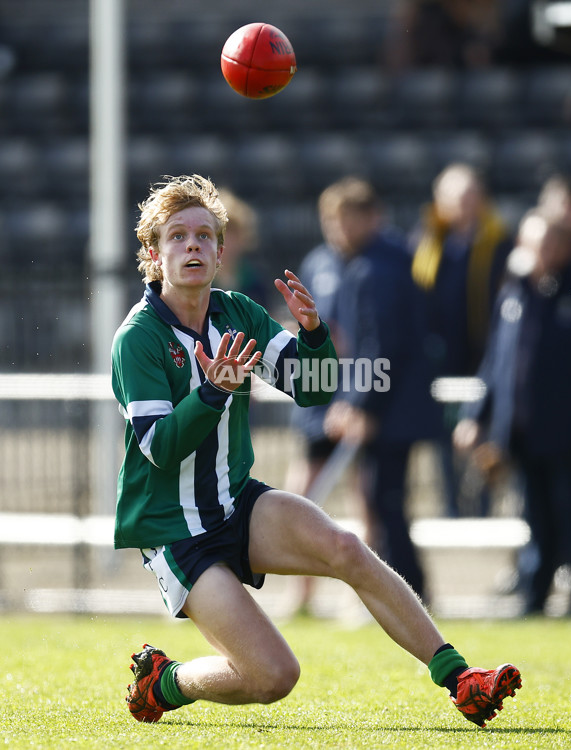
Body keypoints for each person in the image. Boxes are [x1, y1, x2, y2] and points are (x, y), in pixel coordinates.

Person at [111, 173, 521, 728]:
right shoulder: (138, 337)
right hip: (174, 530)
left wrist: (312, 335)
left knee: (347, 548)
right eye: (178, 236)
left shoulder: (236, 312)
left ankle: (460, 678)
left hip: (235, 503)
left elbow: (315, 386)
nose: (193, 246)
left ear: (220, 250)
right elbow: (159, 447)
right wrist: (212, 392)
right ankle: (164, 681)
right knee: (274, 676)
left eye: (205, 236)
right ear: (154, 255)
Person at [290, 176, 443, 603]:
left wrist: (361, 405)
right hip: (376, 402)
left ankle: (407, 594)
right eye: (330, 220)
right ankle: (404, 594)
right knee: (382, 500)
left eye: (346, 219)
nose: (337, 230)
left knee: (385, 501)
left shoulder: (379, 267)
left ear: (370, 218)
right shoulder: (348, 263)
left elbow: (384, 345)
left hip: (390, 408)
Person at [453, 209, 571, 615]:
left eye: (551, 244)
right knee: (535, 515)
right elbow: (495, 363)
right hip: (523, 431)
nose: (543, 252)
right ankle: (535, 594)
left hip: (570, 429)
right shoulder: (514, 292)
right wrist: (474, 415)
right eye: (536, 244)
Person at [408, 162, 512, 516]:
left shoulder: (500, 246)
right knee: (443, 440)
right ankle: (451, 507)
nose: (463, 204)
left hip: (483, 356)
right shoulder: (426, 246)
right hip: (440, 361)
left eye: (470, 196)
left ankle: (482, 507)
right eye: (455, 197)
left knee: (480, 434)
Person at [213, 187, 272, 311]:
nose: (225, 240)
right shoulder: (197, 279)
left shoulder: (255, 281)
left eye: (232, 232)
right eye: (220, 233)